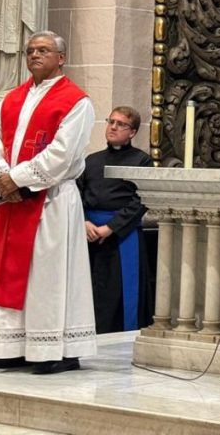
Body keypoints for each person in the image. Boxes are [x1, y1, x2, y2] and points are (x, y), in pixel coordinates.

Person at [0, 30, 95, 374]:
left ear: (60, 58)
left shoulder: (76, 101)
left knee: (49, 275)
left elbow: (63, 154)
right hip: (14, 202)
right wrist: (4, 180)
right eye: (31, 50)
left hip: (53, 200)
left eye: (44, 50)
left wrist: (16, 179)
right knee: (11, 272)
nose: (35, 55)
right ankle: (12, 345)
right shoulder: (11, 99)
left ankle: (55, 349)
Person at [77, 106, 153, 334]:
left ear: (132, 132)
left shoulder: (142, 161)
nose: (113, 127)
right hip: (88, 235)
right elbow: (75, 195)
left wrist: (110, 228)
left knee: (119, 295)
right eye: (111, 121)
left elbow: (141, 200)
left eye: (121, 124)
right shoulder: (90, 161)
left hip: (122, 236)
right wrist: (83, 222)